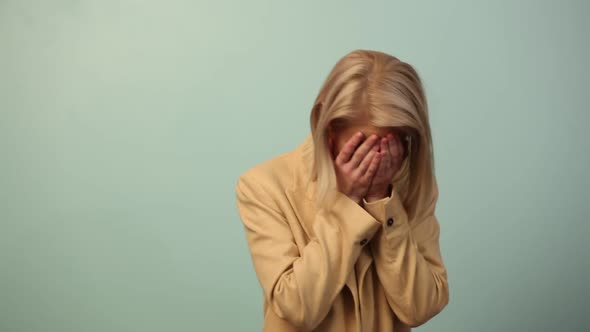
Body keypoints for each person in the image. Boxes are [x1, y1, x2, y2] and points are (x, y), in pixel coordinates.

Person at [235, 49, 449, 332]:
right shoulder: (264, 186)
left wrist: (383, 201)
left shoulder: (413, 186)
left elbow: (421, 307)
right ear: (329, 130)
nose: (375, 162)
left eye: (386, 149)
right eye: (360, 150)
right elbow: (296, 306)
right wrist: (345, 205)